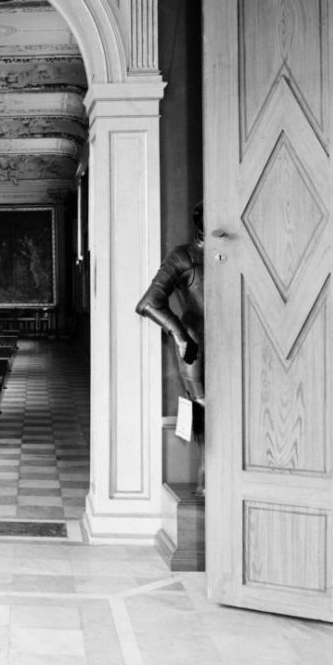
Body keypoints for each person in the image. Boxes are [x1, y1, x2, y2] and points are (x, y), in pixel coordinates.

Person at [136, 201, 205, 493]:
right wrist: (180, 334)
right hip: (197, 341)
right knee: (203, 407)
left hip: (235, 339)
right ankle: (206, 480)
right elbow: (149, 302)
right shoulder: (183, 255)